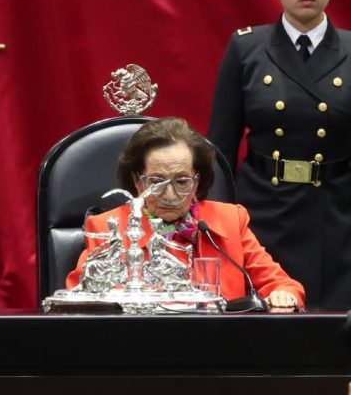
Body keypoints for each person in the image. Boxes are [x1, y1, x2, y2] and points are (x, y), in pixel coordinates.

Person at [208, 0, 351, 310]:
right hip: (262, 213)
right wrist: (220, 223)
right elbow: (219, 148)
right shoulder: (246, 48)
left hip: (336, 215)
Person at [66, 117, 305, 312]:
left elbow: (281, 285)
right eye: (156, 182)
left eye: (181, 181)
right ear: (137, 182)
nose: (169, 195)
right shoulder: (108, 227)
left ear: (196, 181)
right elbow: (78, 303)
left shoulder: (231, 220)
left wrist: (282, 295)